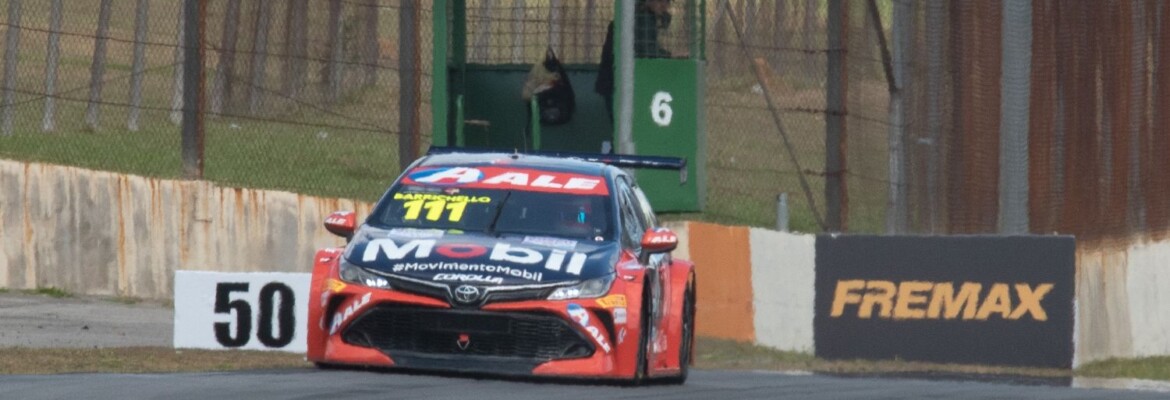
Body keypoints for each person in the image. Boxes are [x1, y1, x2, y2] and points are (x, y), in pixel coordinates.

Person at [594, 0, 674, 123]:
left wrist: (662, 18)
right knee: (624, 125)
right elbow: (646, 50)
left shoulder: (643, 15)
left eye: (667, 2)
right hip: (617, 82)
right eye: (661, 1)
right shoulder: (640, 18)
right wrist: (671, 56)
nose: (665, 6)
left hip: (618, 82)